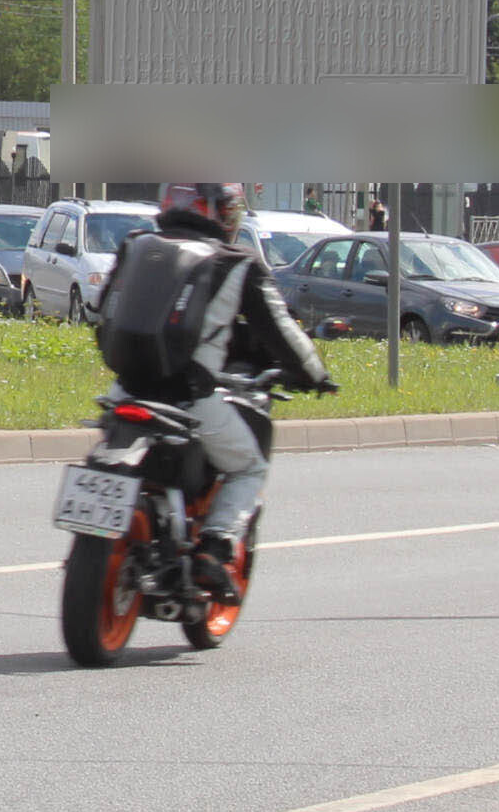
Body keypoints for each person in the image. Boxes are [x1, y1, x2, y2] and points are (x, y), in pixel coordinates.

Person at [89, 180, 333, 601]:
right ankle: (215, 547)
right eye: (231, 209)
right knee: (247, 467)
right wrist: (315, 374)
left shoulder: (137, 243)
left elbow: (99, 308)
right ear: (218, 212)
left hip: (123, 390)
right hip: (190, 398)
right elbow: (280, 331)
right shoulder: (237, 260)